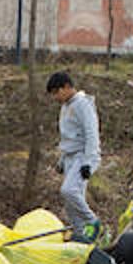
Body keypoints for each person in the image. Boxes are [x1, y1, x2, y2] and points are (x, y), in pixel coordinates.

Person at [47, 72, 101, 242]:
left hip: (83, 156)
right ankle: (80, 235)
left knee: (68, 190)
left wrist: (88, 162)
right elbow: (68, 136)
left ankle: (92, 221)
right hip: (70, 156)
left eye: (57, 92)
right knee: (70, 203)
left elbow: (91, 134)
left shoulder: (82, 104)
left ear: (67, 87)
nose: (55, 97)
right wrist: (62, 160)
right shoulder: (65, 106)